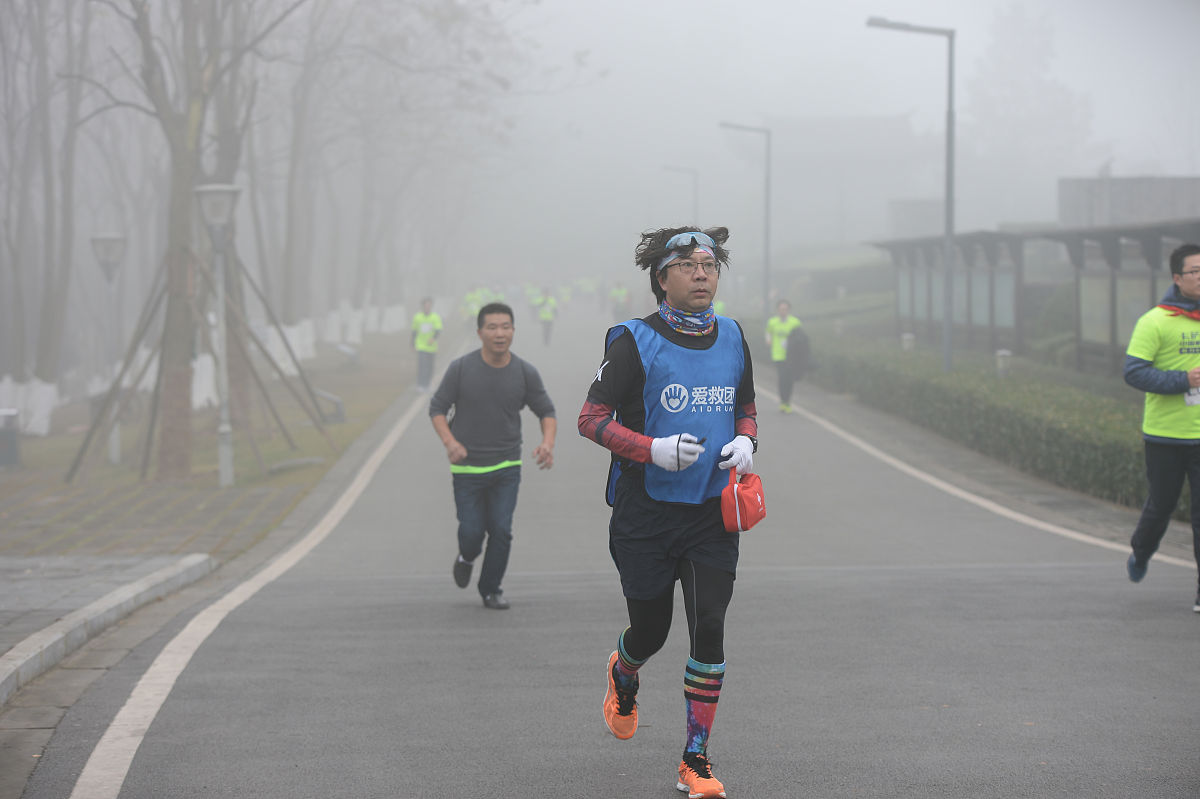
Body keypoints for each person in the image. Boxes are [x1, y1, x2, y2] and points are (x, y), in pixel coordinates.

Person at [578, 227, 757, 798]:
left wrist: (748, 440)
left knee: (709, 626)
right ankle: (623, 672)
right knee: (652, 631)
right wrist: (650, 449)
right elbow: (591, 419)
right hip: (646, 515)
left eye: (710, 264)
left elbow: (746, 406)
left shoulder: (732, 336)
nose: (702, 274)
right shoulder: (633, 341)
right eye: (688, 265)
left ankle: (695, 759)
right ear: (662, 279)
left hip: (711, 514)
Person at [429, 302, 556, 610]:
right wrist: (450, 442)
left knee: (501, 529)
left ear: (513, 330)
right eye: (492, 327)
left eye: (505, 327)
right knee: (472, 532)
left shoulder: (525, 372)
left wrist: (547, 443)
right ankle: (467, 556)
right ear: (480, 332)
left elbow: (546, 411)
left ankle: (491, 588)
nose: (499, 333)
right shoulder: (460, 369)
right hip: (467, 468)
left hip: (506, 466)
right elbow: (437, 409)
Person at [1123, 242, 1200, 613]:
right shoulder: (1155, 320)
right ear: (1176, 278)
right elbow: (1134, 372)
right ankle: (1141, 551)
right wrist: (1184, 379)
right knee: (1161, 507)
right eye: (1195, 271)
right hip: (1166, 436)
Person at [765, 299, 803, 413]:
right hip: (778, 355)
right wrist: (768, 340)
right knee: (782, 378)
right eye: (781, 309)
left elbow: (800, 338)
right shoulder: (772, 322)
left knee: (789, 379)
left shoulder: (795, 322)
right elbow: (768, 332)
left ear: (789, 310)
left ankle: (787, 401)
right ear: (777, 310)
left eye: (785, 309)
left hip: (791, 357)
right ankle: (783, 401)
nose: (783, 311)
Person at [411, 297, 442, 392]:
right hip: (421, 345)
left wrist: (433, 338)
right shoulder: (417, 317)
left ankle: (427, 384)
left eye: (429, 305)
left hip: (431, 347)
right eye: (426, 305)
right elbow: (414, 331)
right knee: (422, 365)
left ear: (431, 306)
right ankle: (420, 384)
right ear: (423, 306)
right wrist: (412, 343)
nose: (427, 307)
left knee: (430, 366)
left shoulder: (435, 317)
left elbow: (438, 330)